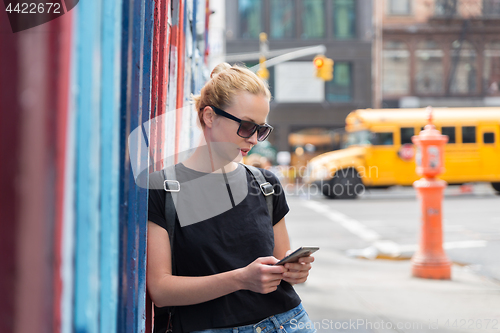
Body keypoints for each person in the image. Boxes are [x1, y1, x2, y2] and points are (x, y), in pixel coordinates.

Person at [147, 63, 315, 333]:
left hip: (287, 323)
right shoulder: (163, 189)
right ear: (210, 116)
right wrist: (240, 279)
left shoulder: (266, 184)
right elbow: (161, 290)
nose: (255, 140)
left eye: (261, 129)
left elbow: (280, 265)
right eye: (247, 126)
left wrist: (296, 272)